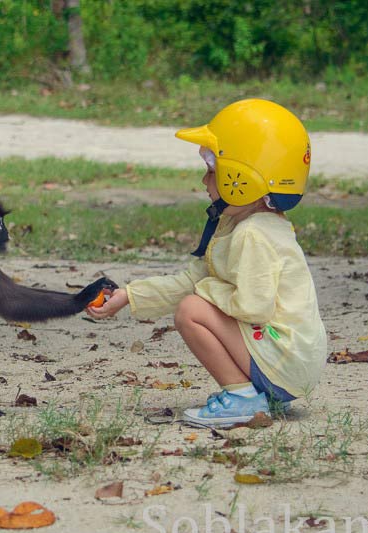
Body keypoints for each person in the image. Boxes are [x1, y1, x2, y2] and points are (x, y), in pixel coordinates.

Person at [88, 99, 327, 427]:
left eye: (213, 172)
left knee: (191, 310)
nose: (204, 182)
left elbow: (253, 307)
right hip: (287, 360)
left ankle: (243, 397)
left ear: (241, 178)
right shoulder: (241, 225)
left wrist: (206, 292)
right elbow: (192, 282)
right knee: (194, 300)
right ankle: (253, 394)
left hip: (286, 362)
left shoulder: (253, 234)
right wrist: (129, 296)